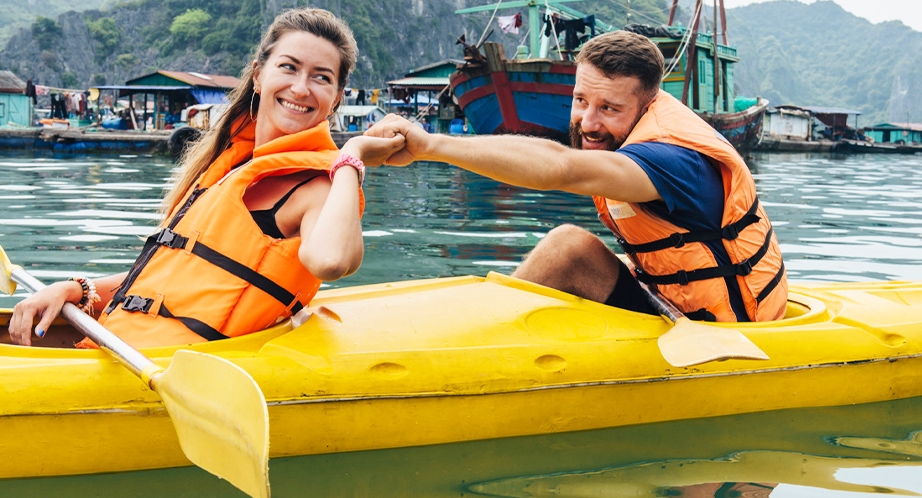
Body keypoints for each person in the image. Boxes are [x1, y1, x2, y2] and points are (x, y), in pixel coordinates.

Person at [8, 8, 404, 348]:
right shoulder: (228, 166)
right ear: (258, 76)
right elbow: (165, 282)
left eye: (321, 77)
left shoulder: (316, 187)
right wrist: (78, 288)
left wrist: (352, 156)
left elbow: (332, 261)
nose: (300, 88)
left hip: (166, 367)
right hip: (113, 347)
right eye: (288, 67)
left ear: (336, 97)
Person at [367, 30, 787, 323]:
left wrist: (429, 146)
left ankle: (478, 344)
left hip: (730, 329)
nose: (587, 122)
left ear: (647, 104)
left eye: (609, 108)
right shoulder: (634, 135)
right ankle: (485, 322)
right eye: (581, 100)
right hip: (677, 295)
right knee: (574, 251)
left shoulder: (674, 160)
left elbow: (560, 167)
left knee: (567, 247)